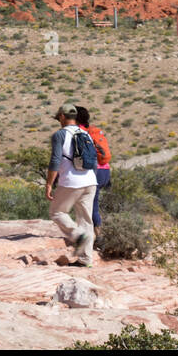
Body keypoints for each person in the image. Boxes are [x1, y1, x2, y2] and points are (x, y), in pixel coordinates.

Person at [45, 102, 98, 267]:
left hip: (71, 181)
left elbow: (55, 160)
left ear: (62, 116)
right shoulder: (85, 133)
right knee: (85, 220)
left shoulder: (60, 135)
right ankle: (85, 260)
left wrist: (49, 184)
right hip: (90, 181)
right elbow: (94, 160)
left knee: (57, 212)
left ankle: (77, 237)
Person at [76, 105, 111, 236]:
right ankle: (93, 234)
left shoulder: (79, 132)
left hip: (94, 173)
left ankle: (99, 237)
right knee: (91, 204)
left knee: (91, 206)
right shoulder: (93, 131)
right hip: (105, 171)